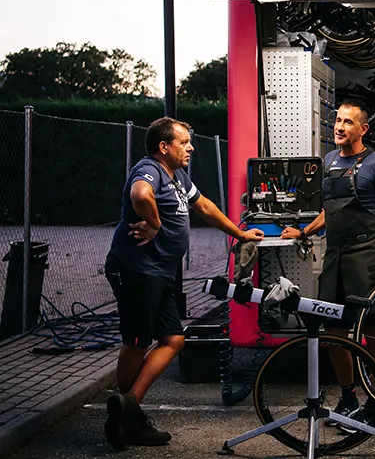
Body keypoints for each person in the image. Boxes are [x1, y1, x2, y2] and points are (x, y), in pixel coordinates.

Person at [103, 117, 264, 450]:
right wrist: (154, 222)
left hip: (159, 272)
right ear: (165, 147)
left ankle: (128, 406)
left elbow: (203, 205)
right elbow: (139, 193)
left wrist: (239, 232)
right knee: (137, 342)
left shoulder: (176, 177)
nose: (191, 147)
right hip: (138, 270)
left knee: (174, 339)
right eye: (184, 142)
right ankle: (124, 415)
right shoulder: (148, 169)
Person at [280, 100, 375, 429]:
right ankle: (348, 397)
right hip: (335, 255)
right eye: (337, 121)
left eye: (348, 122)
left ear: (363, 129)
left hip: (368, 256)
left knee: (373, 334)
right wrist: (305, 231)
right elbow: (330, 211)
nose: (340, 126)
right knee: (333, 331)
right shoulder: (329, 161)